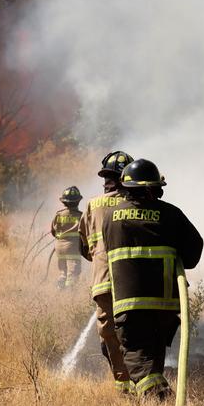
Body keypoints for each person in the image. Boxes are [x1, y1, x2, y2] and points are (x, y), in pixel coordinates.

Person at [102, 159, 203, 399]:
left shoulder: (110, 216)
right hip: (164, 303)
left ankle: (158, 396)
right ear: (152, 188)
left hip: (129, 302)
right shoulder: (171, 214)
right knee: (153, 354)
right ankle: (156, 396)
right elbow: (193, 252)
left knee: (136, 353)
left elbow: (106, 248)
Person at [79, 151, 133, 392]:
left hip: (103, 281)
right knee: (134, 331)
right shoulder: (135, 204)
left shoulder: (93, 205)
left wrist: (100, 258)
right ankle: (140, 379)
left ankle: (123, 385)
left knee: (109, 334)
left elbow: (83, 247)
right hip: (133, 281)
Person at [50, 186, 83, 289]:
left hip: (59, 247)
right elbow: (85, 232)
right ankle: (69, 292)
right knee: (73, 273)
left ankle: (60, 288)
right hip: (73, 247)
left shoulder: (59, 214)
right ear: (78, 201)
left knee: (63, 272)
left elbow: (53, 231)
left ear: (63, 202)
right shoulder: (80, 215)